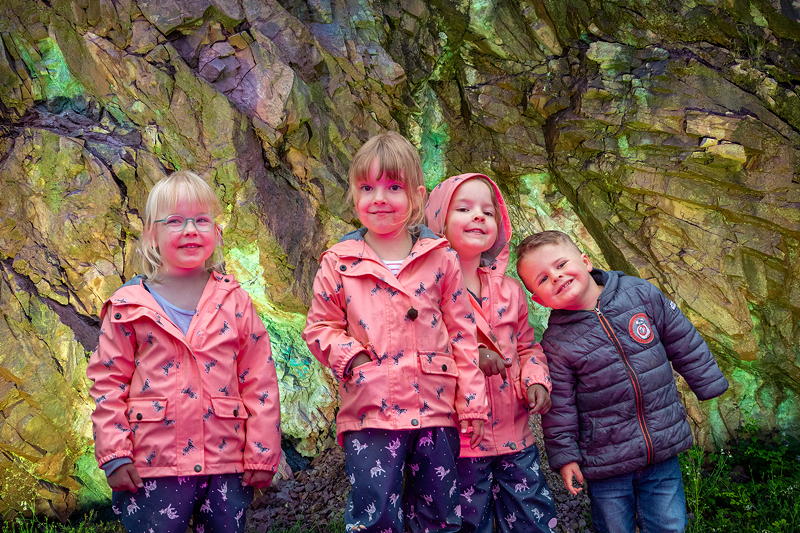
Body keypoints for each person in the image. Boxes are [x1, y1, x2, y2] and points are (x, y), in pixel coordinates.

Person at [302, 132, 488, 532]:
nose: (379, 198)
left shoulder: (441, 258)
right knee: (374, 514)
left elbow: (462, 334)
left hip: (434, 408)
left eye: (393, 187)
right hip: (370, 410)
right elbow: (320, 326)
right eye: (367, 187)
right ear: (353, 195)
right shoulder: (339, 262)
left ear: (417, 195)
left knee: (439, 513)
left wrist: (470, 402)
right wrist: (353, 357)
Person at [87, 170, 281, 533]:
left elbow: (260, 380)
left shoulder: (235, 300)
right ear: (151, 234)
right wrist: (115, 454)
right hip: (152, 464)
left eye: (201, 220)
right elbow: (107, 385)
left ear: (216, 232)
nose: (190, 229)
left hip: (227, 462)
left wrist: (262, 450)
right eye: (175, 221)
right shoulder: (128, 307)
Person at [515, 230, 729, 533]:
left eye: (561, 264)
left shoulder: (638, 293)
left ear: (586, 261)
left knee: (668, 524)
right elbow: (559, 407)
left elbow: (681, 336)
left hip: (660, 444)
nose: (556, 276)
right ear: (539, 299)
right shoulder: (557, 343)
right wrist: (565, 458)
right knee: (614, 527)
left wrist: (707, 381)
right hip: (605, 461)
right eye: (543, 279)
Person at [425, 173, 558, 533]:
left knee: (533, 515)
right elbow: (422, 351)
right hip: (463, 439)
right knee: (470, 521)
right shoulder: (429, 290)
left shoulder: (510, 290)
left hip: (516, 431)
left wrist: (535, 380)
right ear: (438, 221)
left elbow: (529, 347)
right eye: (464, 208)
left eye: (488, 210)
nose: (479, 216)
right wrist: (473, 357)